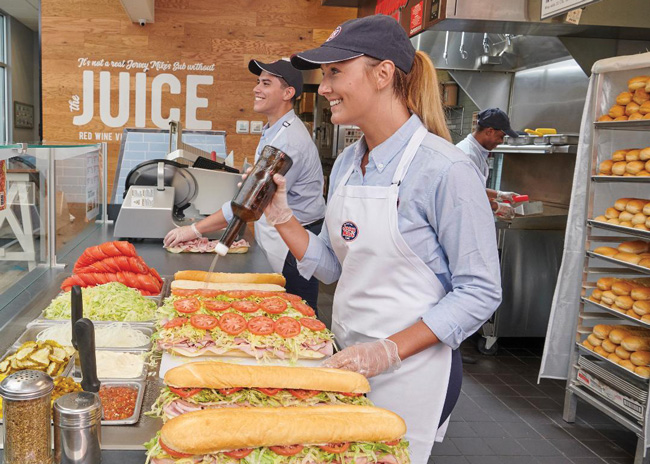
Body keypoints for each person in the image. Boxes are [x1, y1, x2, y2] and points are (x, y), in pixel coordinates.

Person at [257, 15, 502, 464]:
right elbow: (338, 267)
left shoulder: (445, 169)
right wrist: (284, 218)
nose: (324, 87)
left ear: (383, 74)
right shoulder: (351, 161)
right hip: (348, 358)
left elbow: (480, 290)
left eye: (335, 72)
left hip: (414, 369)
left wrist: (388, 350)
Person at [164, 59, 326, 310]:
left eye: (265, 83)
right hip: (279, 236)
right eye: (257, 82)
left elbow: (249, 203)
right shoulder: (274, 129)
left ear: (288, 93)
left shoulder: (289, 141)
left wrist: (193, 230)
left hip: (297, 244)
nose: (256, 89)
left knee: (298, 315)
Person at [456, 108, 520, 220]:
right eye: (501, 136)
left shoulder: (476, 151)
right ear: (489, 131)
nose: (501, 141)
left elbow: (474, 188)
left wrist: (499, 194)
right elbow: (465, 196)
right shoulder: (468, 155)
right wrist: (497, 206)